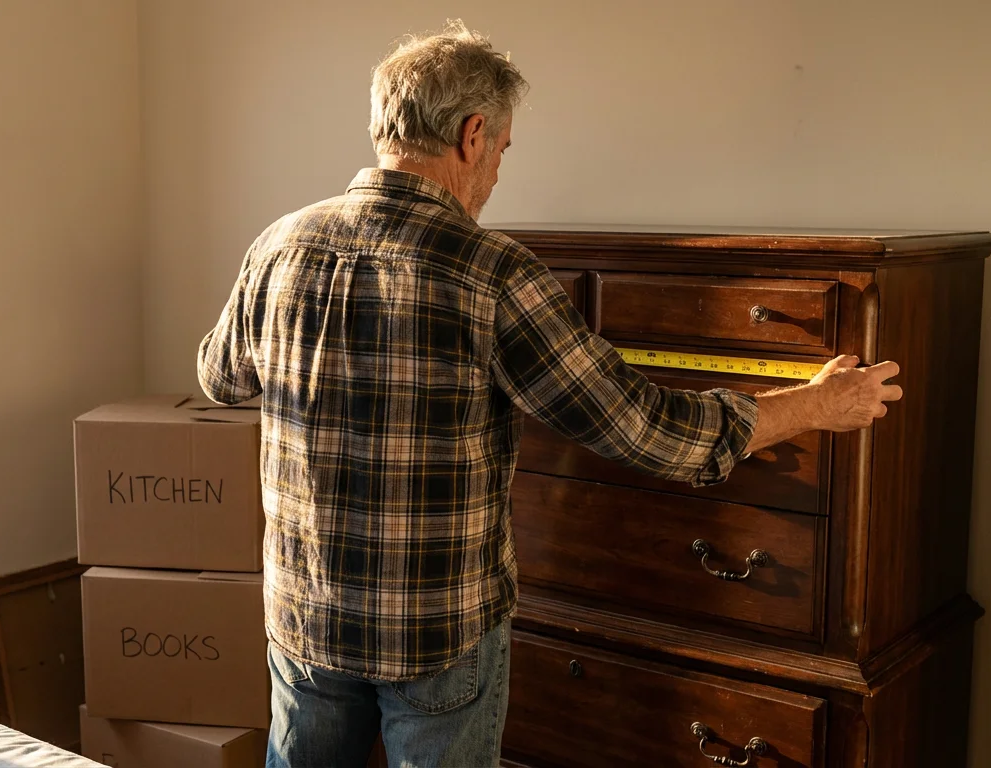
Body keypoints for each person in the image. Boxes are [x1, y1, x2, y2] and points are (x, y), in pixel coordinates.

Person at [197, 20, 901, 768]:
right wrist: (818, 405)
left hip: (306, 621)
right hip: (437, 636)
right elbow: (649, 431)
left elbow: (217, 375)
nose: (498, 170)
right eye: (501, 150)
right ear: (472, 135)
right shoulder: (492, 272)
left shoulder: (280, 244)